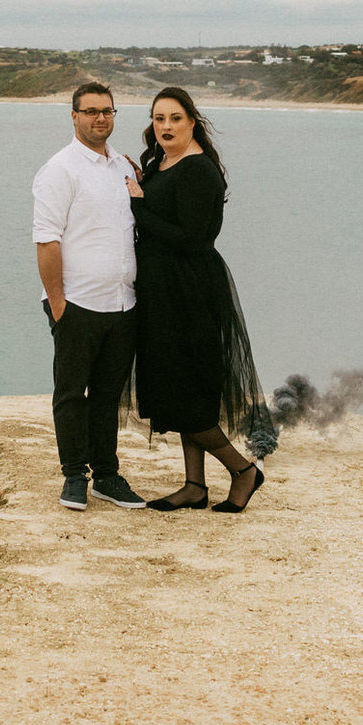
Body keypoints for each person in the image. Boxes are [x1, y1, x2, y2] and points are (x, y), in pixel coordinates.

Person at [125, 87, 267, 512]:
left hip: (188, 291)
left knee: (185, 387)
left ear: (192, 121)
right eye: (158, 118)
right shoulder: (161, 162)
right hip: (162, 289)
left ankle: (243, 470)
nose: (165, 126)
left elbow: (194, 239)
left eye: (174, 118)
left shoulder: (199, 170)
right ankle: (194, 486)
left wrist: (138, 207)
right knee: (176, 386)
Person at [32, 81, 149, 511]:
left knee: (107, 396)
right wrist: (59, 305)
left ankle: (107, 476)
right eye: (92, 111)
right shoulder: (59, 170)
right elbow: (47, 242)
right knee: (70, 394)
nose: (101, 118)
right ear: (75, 116)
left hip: (123, 304)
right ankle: (73, 477)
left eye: (108, 111)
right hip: (77, 304)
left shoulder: (124, 166)